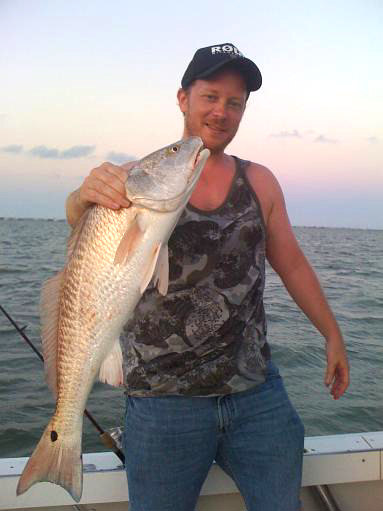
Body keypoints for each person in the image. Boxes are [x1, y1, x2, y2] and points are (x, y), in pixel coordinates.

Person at [66, 43, 349, 511]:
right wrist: (80, 197)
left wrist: (333, 335)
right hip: (161, 402)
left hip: (256, 394)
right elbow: (86, 234)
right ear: (184, 99)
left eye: (234, 102)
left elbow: (293, 263)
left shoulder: (259, 181)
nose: (222, 112)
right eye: (211, 97)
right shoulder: (138, 178)